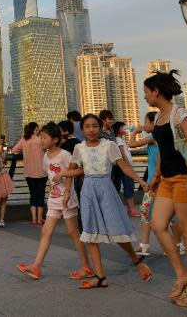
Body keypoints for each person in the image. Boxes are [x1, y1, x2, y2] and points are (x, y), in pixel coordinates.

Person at [59, 114, 152, 289]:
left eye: (95, 126)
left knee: (117, 229)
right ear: (83, 129)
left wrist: (140, 181)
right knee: (90, 232)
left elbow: (124, 166)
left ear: (100, 128)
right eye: (87, 126)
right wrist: (64, 184)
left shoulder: (109, 146)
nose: (91, 129)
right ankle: (100, 276)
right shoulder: (79, 148)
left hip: (106, 189)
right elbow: (75, 169)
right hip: (87, 191)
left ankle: (138, 262)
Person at [145, 70, 187, 307]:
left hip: (184, 178)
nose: (145, 96)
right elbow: (162, 150)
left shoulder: (181, 114)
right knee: (157, 225)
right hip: (167, 181)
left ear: (156, 91)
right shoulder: (160, 118)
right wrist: (157, 175)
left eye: (147, 92)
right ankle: (181, 274)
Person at [16, 122, 93, 281]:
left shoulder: (65, 155)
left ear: (55, 139)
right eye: (40, 137)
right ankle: (36, 266)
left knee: (73, 233)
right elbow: (50, 174)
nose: (41, 140)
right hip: (54, 199)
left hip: (67, 199)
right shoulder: (45, 156)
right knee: (46, 231)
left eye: (44, 137)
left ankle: (86, 266)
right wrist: (52, 187)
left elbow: (80, 169)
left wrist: (64, 175)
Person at [129, 112, 183, 257]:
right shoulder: (162, 137)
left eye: (146, 122)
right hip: (162, 179)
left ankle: (175, 245)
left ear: (153, 124)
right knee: (154, 212)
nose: (144, 125)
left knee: (149, 211)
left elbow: (131, 144)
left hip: (156, 181)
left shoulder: (153, 137)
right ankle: (174, 244)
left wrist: (135, 132)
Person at [11, 122, 46, 225]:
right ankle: (40, 218)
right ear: (35, 129)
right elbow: (48, 148)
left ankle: (34, 219)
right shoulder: (41, 139)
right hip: (41, 172)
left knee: (33, 194)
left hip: (28, 172)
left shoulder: (24, 140)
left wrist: (25, 153)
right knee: (40, 195)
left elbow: (14, 151)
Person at [112, 121, 140, 218]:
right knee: (129, 186)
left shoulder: (120, 139)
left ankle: (130, 209)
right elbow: (122, 153)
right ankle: (131, 209)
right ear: (118, 129)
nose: (125, 128)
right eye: (122, 127)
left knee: (129, 186)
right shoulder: (118, 140)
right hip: (125, 167)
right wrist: (128, 165)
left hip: (126, 166)